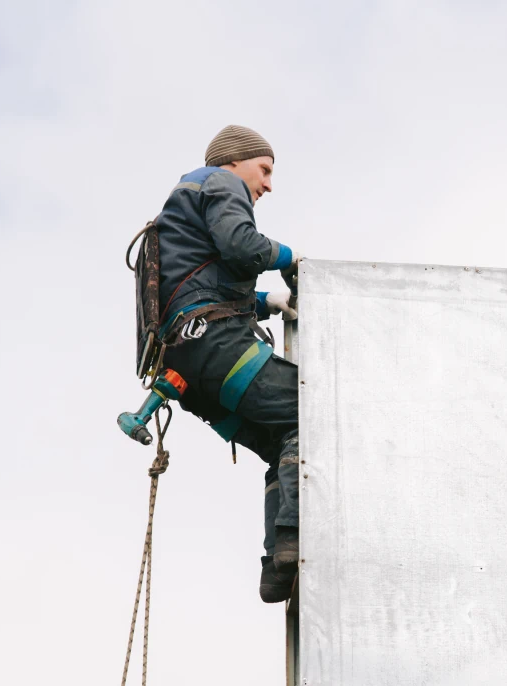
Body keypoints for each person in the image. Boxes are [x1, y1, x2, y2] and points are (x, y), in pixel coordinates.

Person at [153, 125, 301, 603]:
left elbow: (206, 283)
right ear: (236, 162)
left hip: (191, 370)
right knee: (318, 412)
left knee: (285, 438)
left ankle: (281, 560)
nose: (268, 185)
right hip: (218, 348)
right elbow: (240, 245)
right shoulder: (220, 183)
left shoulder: (185, 205)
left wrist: (267, 303)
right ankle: (295, 533)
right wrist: (290, 259)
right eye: (265, 169)